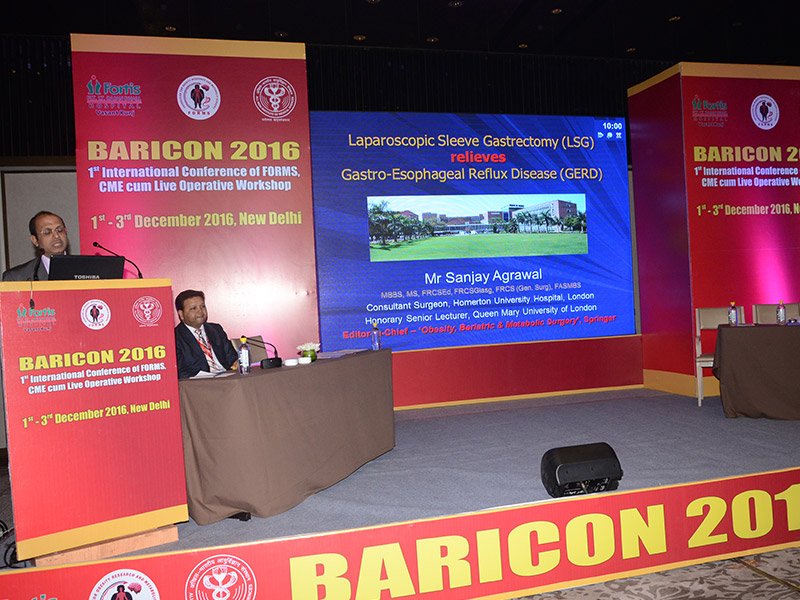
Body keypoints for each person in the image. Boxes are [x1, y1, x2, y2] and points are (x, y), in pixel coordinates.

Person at [174, 289, 238, 379]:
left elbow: (232, 358)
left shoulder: (216, 330)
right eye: (193, 308)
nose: (200, 312)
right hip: (199, 383)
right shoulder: (175, 337)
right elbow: (180, 372)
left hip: (226, 378)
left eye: (202, 306)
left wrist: (237, 363)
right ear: (181, 314)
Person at [2, 211, 69, 281]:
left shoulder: (77, 267)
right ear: (35, 240)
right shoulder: (15, 277)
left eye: (60, 230)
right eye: (47, 232)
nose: (56, 236)